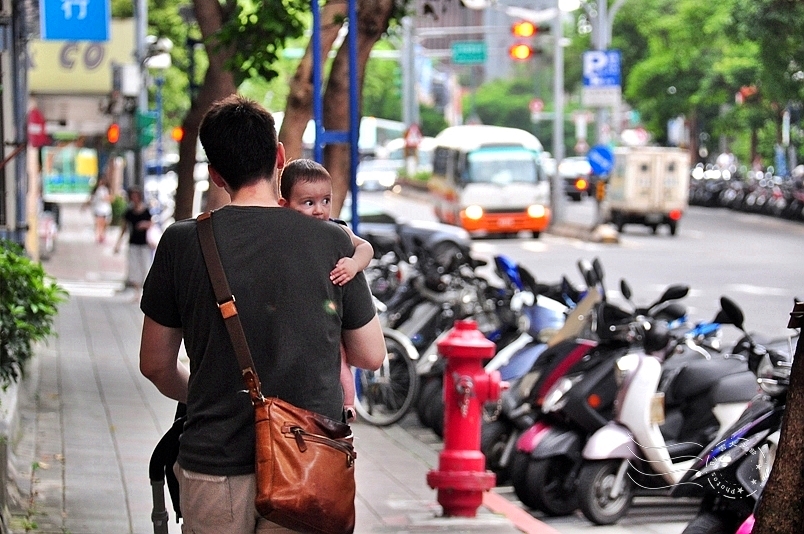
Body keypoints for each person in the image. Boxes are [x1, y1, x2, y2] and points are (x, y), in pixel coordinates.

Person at [138, 94, 386, 534]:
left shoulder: (181, 243)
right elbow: (370, 354)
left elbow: (155, 364)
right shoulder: (330, 241)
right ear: (279, 157)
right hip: (309, 462)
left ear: (215, 173)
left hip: (213, 461)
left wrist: (206, 397)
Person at [279, 158, 375, 421]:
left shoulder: (338, 232)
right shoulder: (283, 237)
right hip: (300, 322)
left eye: (326, 200)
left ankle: (348, 404)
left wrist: (354, 264)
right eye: (308, 203)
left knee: (340, 361)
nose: (320, 210)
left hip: (329, 318)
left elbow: (365, 247)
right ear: (284, 206)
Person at [113, 186, 153, 298]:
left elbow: (151, 224)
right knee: (134, 268)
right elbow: (124, 228)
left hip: (144, 244)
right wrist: (118, 244)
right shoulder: (129, 212)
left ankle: (145, 292)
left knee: (145, 266)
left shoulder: (146, 211)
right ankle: (137, 292)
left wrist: (144, 225)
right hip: (133, 243)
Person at [87, 176, 112, 243]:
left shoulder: (106, 190)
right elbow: (91, 199)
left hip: (105, 209)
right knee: (98, 223)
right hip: (98, 209)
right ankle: (98, 236)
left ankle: (102, 235)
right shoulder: (97, 190)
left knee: (104, 223)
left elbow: (110, 198)